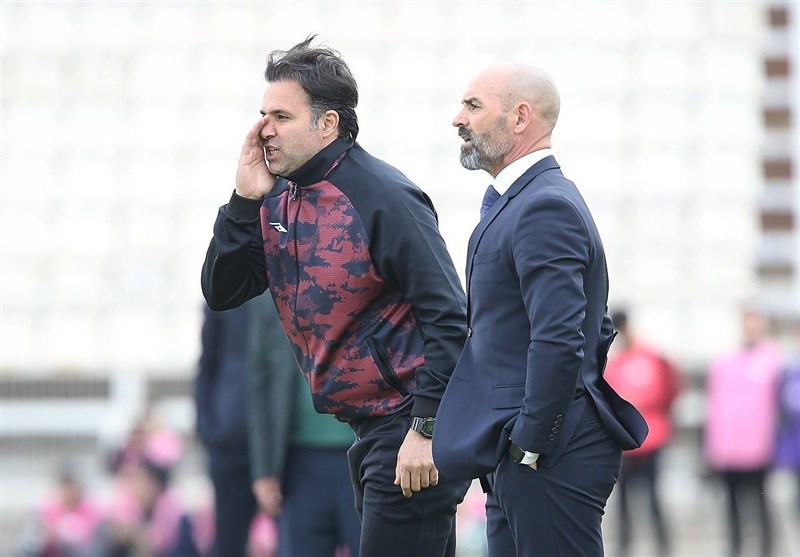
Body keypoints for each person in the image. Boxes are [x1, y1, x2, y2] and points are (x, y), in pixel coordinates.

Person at [200, 36, 470, 557]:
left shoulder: (384, 195)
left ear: (327, 124)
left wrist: (426, 426)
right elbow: (222, 290)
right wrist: (243, 200)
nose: (264, 129)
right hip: (367, 432)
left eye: (281, 116)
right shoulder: (277, 198)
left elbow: (448, 316)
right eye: (263, 115)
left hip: (406, 426)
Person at [432, 64, 648, 557]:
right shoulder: (522, 201)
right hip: (519, 456)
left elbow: (562, 337)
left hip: (544, 456)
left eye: (473, 106)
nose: (458, 119)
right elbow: (594, 325)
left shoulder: (543, 205)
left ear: (520, 117)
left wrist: (531, 441)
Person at [248, 292, 361, 556]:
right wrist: (263, 470)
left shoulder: (366, 275)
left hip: (361, 454)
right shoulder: (271, 293)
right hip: (297, 463)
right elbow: (259, 384)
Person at [705, 306, 782, 557]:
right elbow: (715, 405)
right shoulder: (725, 361)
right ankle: (735, 546)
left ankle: (766, 548)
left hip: (759, 446)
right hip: (729, 447)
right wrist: (713, 446)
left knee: (761, 501)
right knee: (732, 504)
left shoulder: (772, 360)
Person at [604, 309, 682, 557]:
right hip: (626, 442)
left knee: (653, 496)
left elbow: (670, 389)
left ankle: (663, 545)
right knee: (624, 499)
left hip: (652, 437)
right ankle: (624, 545)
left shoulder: (652, 357)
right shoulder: (616, 363)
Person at [194, 299, 259, 557]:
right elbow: (206, 364)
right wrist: (208, 428)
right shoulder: (222, 299)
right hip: (230, 438)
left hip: (283, 439)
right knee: (229, 538)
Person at [14, 464, 103, 557]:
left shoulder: (91, 510)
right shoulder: (48, 509)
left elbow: (93, 546)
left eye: (71, 488)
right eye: (65, 489)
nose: (69, 493)